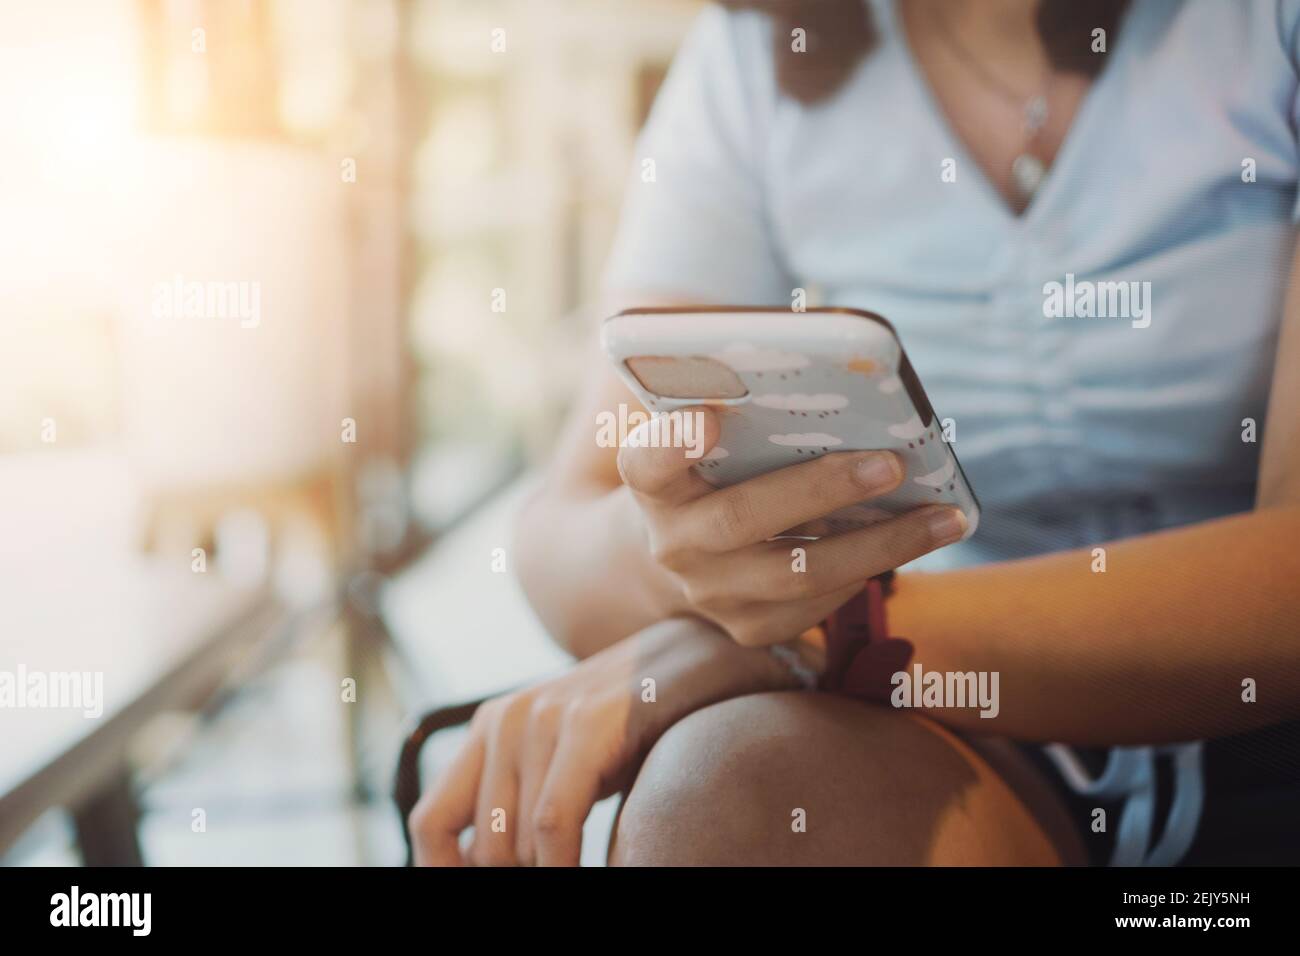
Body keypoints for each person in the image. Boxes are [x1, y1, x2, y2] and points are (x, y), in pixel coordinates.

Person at [410, 0, 1300, 866]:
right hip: (983, 747)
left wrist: (819, 643)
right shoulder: (753, 63)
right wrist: (707, 571)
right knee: (720, 797)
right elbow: (560, 534)